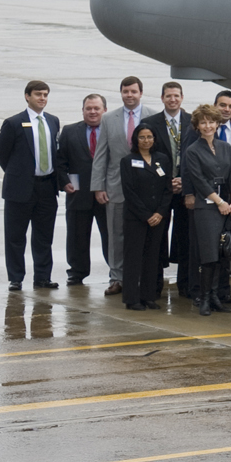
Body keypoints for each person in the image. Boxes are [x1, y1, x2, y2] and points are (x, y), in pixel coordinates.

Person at [0, 80, 62, 291]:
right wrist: (18, 173)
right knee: (16, 236)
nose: (42, 98)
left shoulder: (52, 121)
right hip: (20, 188)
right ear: (27, 96)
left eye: (45, 95)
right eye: (38, 94)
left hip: (46, 187)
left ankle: (42, 277)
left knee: (43, 236)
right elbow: (1, 153)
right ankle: (16, 278)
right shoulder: (14, 123)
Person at [181, 104, 231, 316]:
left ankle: (216, 295)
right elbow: (198, 181)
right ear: (197, 125)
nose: (208, 126)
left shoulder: (225, 147)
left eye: (211, 121)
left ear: (217, 123)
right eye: (203, 122)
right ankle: (204, 297)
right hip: (206, 208)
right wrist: (220, 202)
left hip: (227, 205)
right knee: (209, 255)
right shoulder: (193, 150)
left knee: (224, 253)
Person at [90, 75, 147, 296]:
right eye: (125, 91)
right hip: (115, 186)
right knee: (115, 235)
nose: (129, 95)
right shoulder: (109, 118)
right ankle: (117, 277)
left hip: (144, 187)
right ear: (121, 93)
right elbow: (101, 155)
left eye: (133, 91)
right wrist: (98, 186)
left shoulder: (152, 116)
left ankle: (142, 276)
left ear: (140, 93)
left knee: (144, 234)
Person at [144, 81, 194, 296]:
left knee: (185, 238)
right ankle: (154, 285)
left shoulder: (193, 121)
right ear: (162, 98)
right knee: (157, 238)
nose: (172, 99)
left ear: (182, 97)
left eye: (176, 96)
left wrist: (184, 179)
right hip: (161, 189)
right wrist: (167, 181)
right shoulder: (150, 123)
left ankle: (186, 284)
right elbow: (147, 155)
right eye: (168, 96)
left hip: (185, 188)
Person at [57, 93, 109, 287]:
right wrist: (64, 182)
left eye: (97, 108)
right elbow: (61, 160)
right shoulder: (70, 131)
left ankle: (116, 271)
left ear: (105, 110)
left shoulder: (112, 130)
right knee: (77, 236)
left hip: (106, 194)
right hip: (78, 194)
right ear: (83, 110)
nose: (93, 112)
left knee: (110, 237)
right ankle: (77, 272)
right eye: (89, 108)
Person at [119, 123, 172, 310]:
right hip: (136, 218)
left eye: (149, 137)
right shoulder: (128, 161)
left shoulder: (162, 159)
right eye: (142, 137)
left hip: (159, 217)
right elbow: (129, 192)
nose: (146, 140)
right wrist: (146, 215)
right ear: (135, 139)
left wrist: (160, 213)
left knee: (152, 257)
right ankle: (132, 298)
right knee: (134, 258)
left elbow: (168, 189)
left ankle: (149, 296)